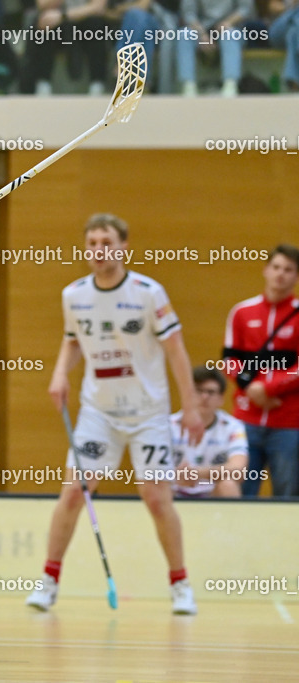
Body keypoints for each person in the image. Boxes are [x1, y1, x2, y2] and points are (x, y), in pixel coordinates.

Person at [24, 213, 204, 616]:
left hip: (148, 414)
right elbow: (72, 341)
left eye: (106, 241)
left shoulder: (149, 292)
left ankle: (181, 585)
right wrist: (59, 375)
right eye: (91, 243)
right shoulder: (74, 294)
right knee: (73, 492)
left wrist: (189, 406)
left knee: (156, 498)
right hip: (98, 413)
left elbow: (176, 350)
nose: (98, 250)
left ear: (123, 247)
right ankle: (49, 581)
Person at [222, 245, 299, 497]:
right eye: (276, 267)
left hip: (289, 422)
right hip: (246, 419)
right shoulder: (242, 312)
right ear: (266, 270)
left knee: (287, 493)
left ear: (296, 276)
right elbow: (230, 360)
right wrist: (249, 389)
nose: (281, 274)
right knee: (242, 491)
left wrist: (268, 388)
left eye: (288, 270)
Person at [171, 367, 249, 498]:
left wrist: (197, 474)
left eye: (211, 392)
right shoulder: (167, 425)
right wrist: (175, 475)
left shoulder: (233, 427)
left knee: (228, 485)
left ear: (221, 399)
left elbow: (239, 470)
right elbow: (149, 471)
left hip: (212, 492)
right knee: (156, 485)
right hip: (176, 489)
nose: (204, 397)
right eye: (198, 391)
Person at [17, 0, 110, 95]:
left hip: (85, 22)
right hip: (59, 24)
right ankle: (43, 83)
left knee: (95, 25)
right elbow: (42, 5)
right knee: (45, 23)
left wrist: (64, 16)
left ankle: (97, 84)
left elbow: (98, 8)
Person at [176, 0, 253, 96]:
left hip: (231, 27)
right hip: (200, 28)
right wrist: (202, 33)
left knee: (230, 34)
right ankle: (188, 85)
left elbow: (245, 8)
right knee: (184, 34)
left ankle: (230, 85)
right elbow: (188, 13)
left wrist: (228, 23)